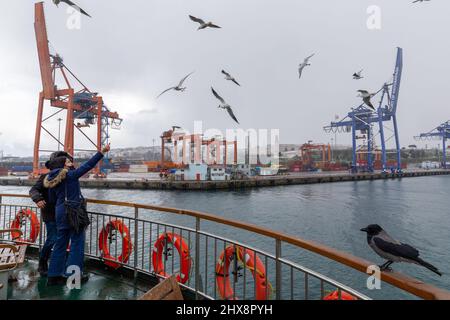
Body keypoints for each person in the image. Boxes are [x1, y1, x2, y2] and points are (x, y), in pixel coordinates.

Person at [44, 144, 110, 286]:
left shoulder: (50, 179)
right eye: (68, 162)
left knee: (60, 244)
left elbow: (51, 199)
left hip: (60, 212)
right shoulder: (70, 175)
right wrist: (101, 152)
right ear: (63, 164)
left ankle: (53, 275)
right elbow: (88, 166)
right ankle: (73, 276)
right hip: (73, 212)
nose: (71, 163)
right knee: (76, 243)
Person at [29, 153, 70, 276]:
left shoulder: (67, 176)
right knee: (52, 238)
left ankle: (59, 265)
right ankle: (42, 262)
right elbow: (33, 190)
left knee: (62, 239)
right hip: (50, 213)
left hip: (64, 213)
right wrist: (38, 199)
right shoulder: (45, 177)